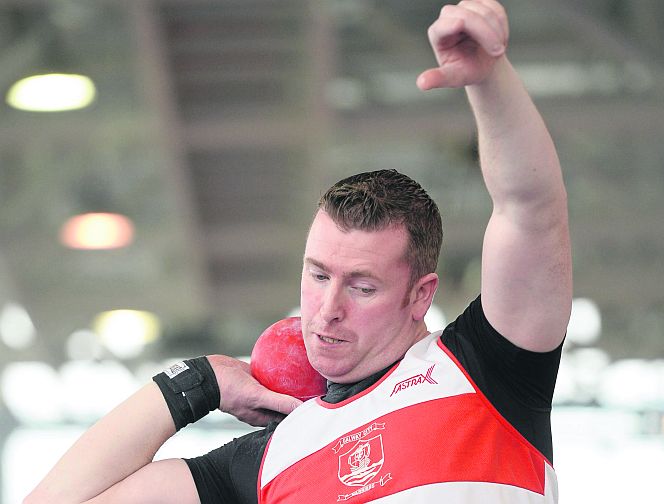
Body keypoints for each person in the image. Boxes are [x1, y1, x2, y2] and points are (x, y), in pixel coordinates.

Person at [25, 0, 572, 502]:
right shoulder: (263, 463)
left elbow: (530, 211)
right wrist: (199, 382)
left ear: (419, 295)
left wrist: (490, 82)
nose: (327, 308)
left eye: (362, 286)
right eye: (317, 275)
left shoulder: (486, 370)